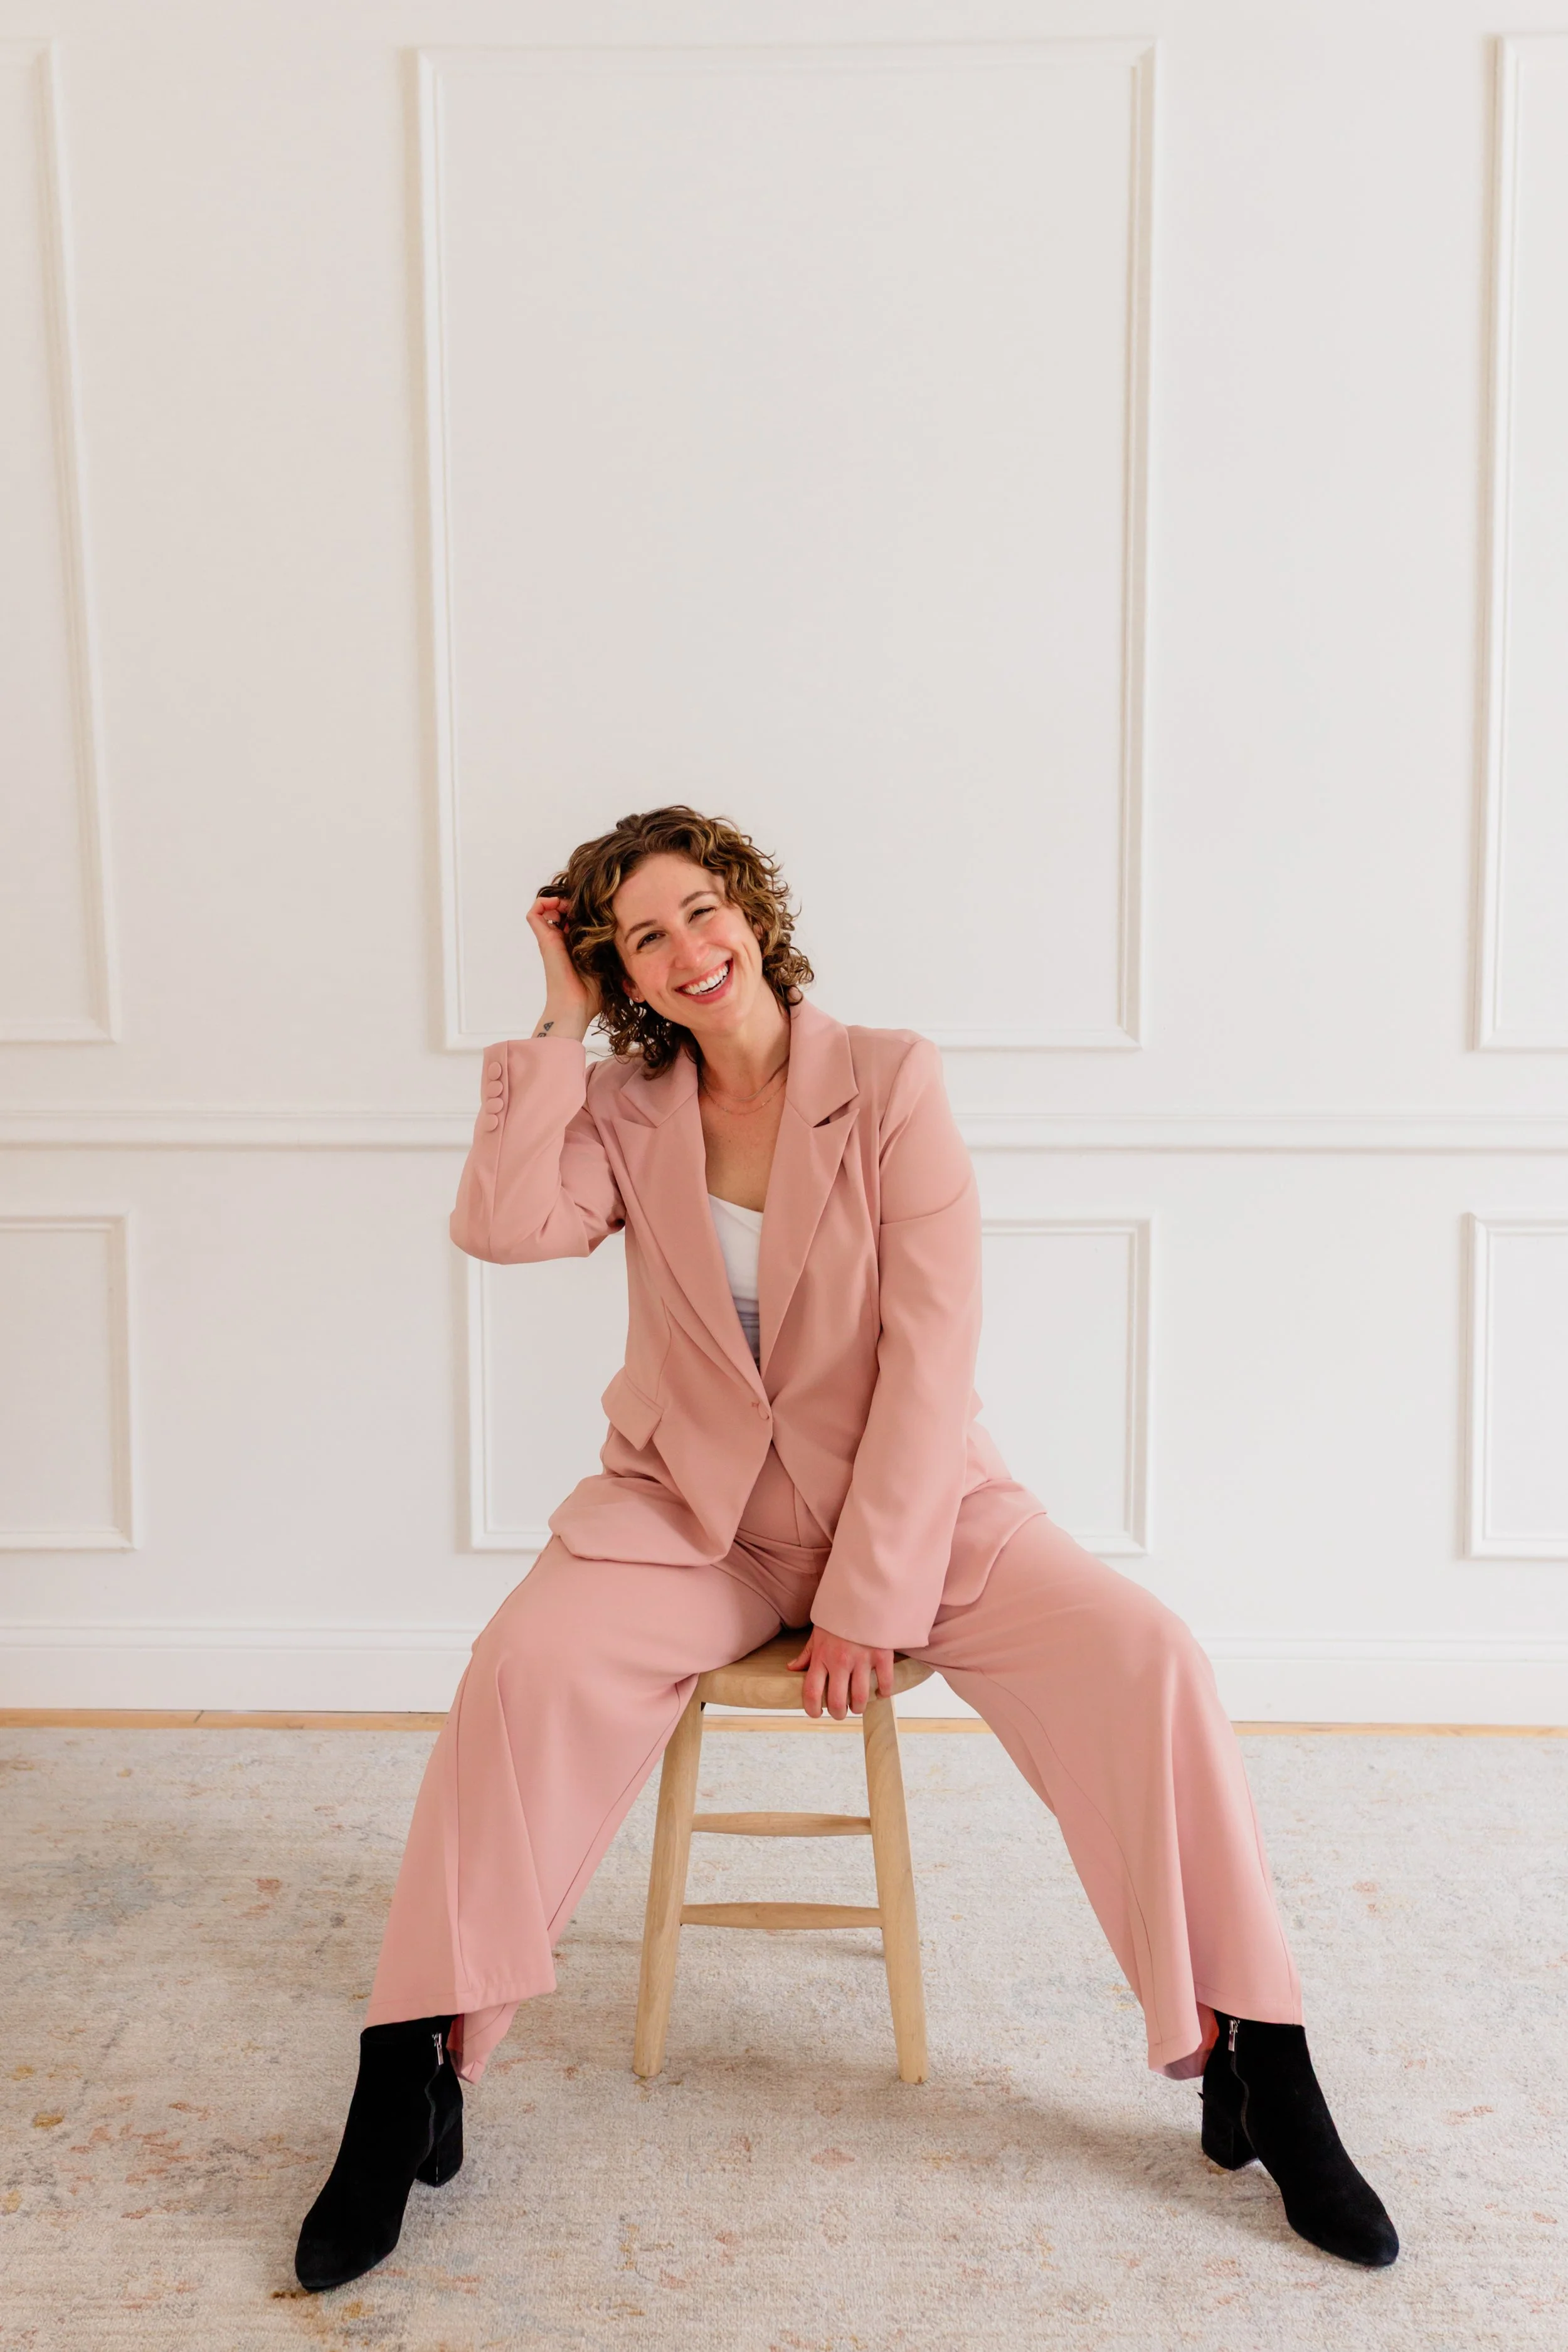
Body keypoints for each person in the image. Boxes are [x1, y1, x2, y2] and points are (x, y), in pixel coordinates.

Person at [294, 807, 1398, 2291]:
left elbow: (932, 1351)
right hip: (698, 1521)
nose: (687, 950)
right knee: (516, 1674)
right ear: (618, 971)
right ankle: (413, 2065)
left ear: (748, 909)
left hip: (921, 1510)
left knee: (1151, 1663)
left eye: (700, 911)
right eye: (641, 939)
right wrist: (552, 1025)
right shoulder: (623, 1108)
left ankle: (1257, 2062)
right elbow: (502, 1227)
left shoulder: (887, 1081)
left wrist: (872, 1600)